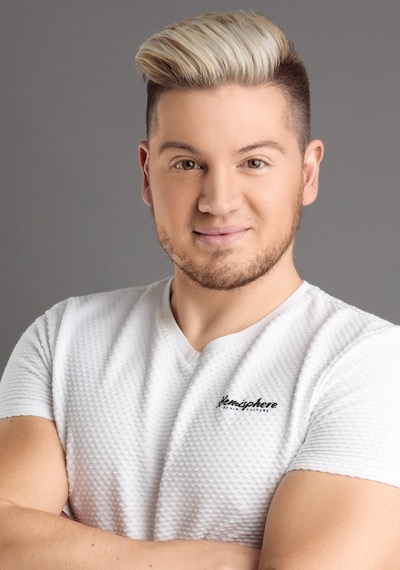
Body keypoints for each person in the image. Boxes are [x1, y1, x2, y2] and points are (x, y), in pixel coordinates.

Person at [1, 10, 400, 569]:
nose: (218, 200)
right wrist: (226, 561)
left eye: (254, 162)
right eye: (188, 163)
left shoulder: (369, 364)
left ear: (308, 173)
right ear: (147, 173)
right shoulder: (61, 339)